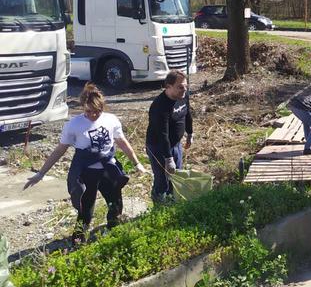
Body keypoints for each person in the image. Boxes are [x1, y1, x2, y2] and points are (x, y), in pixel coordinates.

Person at [23, 83, 146, 243]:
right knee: (85, 208)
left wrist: (137, 163)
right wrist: (41, 173)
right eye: (89, 111)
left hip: (108, 168)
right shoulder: (74, 125)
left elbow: (122, 142)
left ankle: (114, 230)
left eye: (97, 111)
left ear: (102, 107)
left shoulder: (111, 120)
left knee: (115, 202)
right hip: (87, 172)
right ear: (82, 107)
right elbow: (60, 150)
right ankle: (79, 240)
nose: (93, 115)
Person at [146, 70, 193, 203]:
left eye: (185, 86)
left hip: (175, 144)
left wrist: (190, 133)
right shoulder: (159, 106)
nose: (184, 90)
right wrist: (168, 158)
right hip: (158, 146)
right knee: (163, 178)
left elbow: (187, 113)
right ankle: (159, 203)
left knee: (176, 175)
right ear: (168, 86)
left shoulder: (183, 96)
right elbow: (162, 134)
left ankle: (173, 202)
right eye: (180, 87)